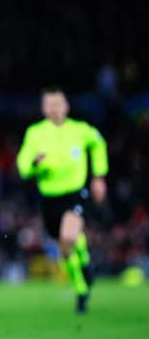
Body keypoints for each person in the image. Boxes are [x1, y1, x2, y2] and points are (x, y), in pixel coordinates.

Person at [17, 86, 108, 313]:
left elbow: (99, 143)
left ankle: (84, 262)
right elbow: (23, 165)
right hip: (49, 198)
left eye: (58, 104)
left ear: (66, 106)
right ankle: (81, 287)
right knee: (65, 250)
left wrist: (98, 176)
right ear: (43, 108)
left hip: (75, 193)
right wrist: (33, 165)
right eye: (50, 104)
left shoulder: (80, 130)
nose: (55, 108)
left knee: (69, 235)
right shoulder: (35, 133)